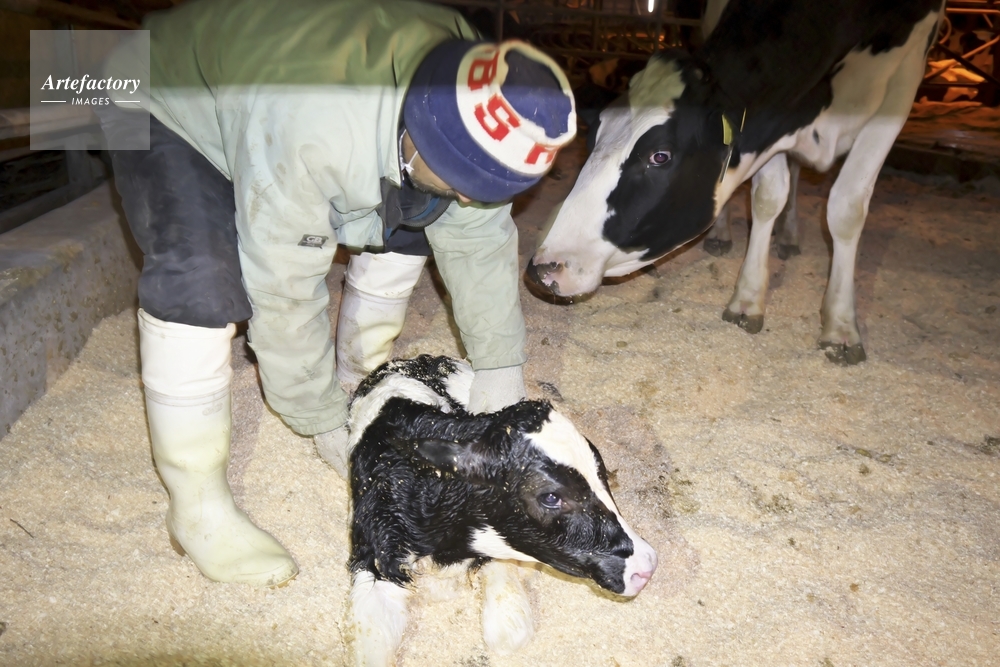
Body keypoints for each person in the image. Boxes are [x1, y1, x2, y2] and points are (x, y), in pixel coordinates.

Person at [98, 0, 576, 589]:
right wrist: (320, 419)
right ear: (417, 133)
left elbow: (477, 240)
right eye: (462, 180)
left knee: (425, 211)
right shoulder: (311, 126)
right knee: (200, 275)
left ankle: (360, 378)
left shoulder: (474, 85)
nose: (470, 199)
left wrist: (500, 371)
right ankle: (196, 506)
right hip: (153, 89)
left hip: (279, 91)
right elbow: (283, 288)